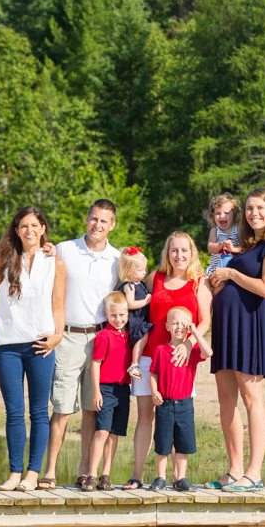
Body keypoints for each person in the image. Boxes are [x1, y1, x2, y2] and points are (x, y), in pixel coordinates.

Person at [0, 206, 66, 492]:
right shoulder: (4, 259)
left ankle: (32, 473)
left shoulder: (55, 263)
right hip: (8, 344)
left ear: (43, 228)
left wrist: (58, 336)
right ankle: (14, 472)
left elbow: (58, 304)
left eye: (34, 225)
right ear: (16, 230)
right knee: (14, 411)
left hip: (41, 343)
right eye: (23, 226)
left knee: (39, 411)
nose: (29, 230)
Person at [206, 188, 265, 490]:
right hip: (225, 325)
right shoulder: (246, 243)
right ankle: (235, 468)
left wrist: (230, 275)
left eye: (260, 209)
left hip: (250, 325)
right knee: (226, 399)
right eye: (250, 209)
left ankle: (254, 471)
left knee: (251, 398)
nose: (254, 214)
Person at [125, 231, 211, 489]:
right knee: (145, 416)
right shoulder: (156, 278)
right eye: (174, 250)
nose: (179, 255)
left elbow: (205, 321)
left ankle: (178, 477)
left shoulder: (199, 282)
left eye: (184, 250)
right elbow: (139, 309)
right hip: (151, 357)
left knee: (176, 419)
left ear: (192, 252)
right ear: (167, 252)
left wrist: (188, 344)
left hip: (180, 361)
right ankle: (138, 474)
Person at [45, 201, 121, 490]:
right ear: (86, 219)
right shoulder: (65, 249)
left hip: (101, 339)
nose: (97, 225)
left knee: (92, 408)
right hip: (68, 336)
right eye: (93, 219)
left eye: (104, 221)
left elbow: (136, 284)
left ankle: (84, 471)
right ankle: (50, 470)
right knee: (62, 408)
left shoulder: (116, 259)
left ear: (112, 225)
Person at [147, 306, 211, 492]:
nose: (179, 327)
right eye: (174, 323)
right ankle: (160, 477)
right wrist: (154, 391)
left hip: (185, 404)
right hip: (165, 404)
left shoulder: (192, 350)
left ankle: (180, 478)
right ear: (167, 326)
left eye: (184, 324)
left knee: (183, 443)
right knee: (163, 442)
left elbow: (209, 352)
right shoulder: (160, 350)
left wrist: (195, 333)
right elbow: (153, 373)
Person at [84, 291, 134, 492]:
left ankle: (106, 474)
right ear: (106, 314)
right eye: (113, 315)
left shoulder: (129, 336)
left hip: (123, 389)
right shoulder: (104, 336)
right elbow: (96, 364)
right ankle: (91, 474)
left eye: (122, 315)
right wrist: (96, 391)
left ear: (127, 314)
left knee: (114, 434)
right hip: (106, 389)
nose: (118, 319)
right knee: (102, 431)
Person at [118, 247, 152, 348]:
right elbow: (131, 304)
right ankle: (135, 360)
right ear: (128, 271)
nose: (145, 272)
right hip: (135, 320)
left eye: (144, 269)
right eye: (141, 270)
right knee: (143, 336)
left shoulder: (139, 283)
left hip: (141, 317)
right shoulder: (129, 286)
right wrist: (146, 301)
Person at [205, 192, 244, 272]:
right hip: (216, 270)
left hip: (234, 270)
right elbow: (210, 248)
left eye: (226, 213)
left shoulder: (237, 229)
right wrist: (220, 244)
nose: (222, 216)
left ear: (234, 214)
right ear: (213, 215)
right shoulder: (215, 230)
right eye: (218, 213)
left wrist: (234, 249)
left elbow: (244, 248)